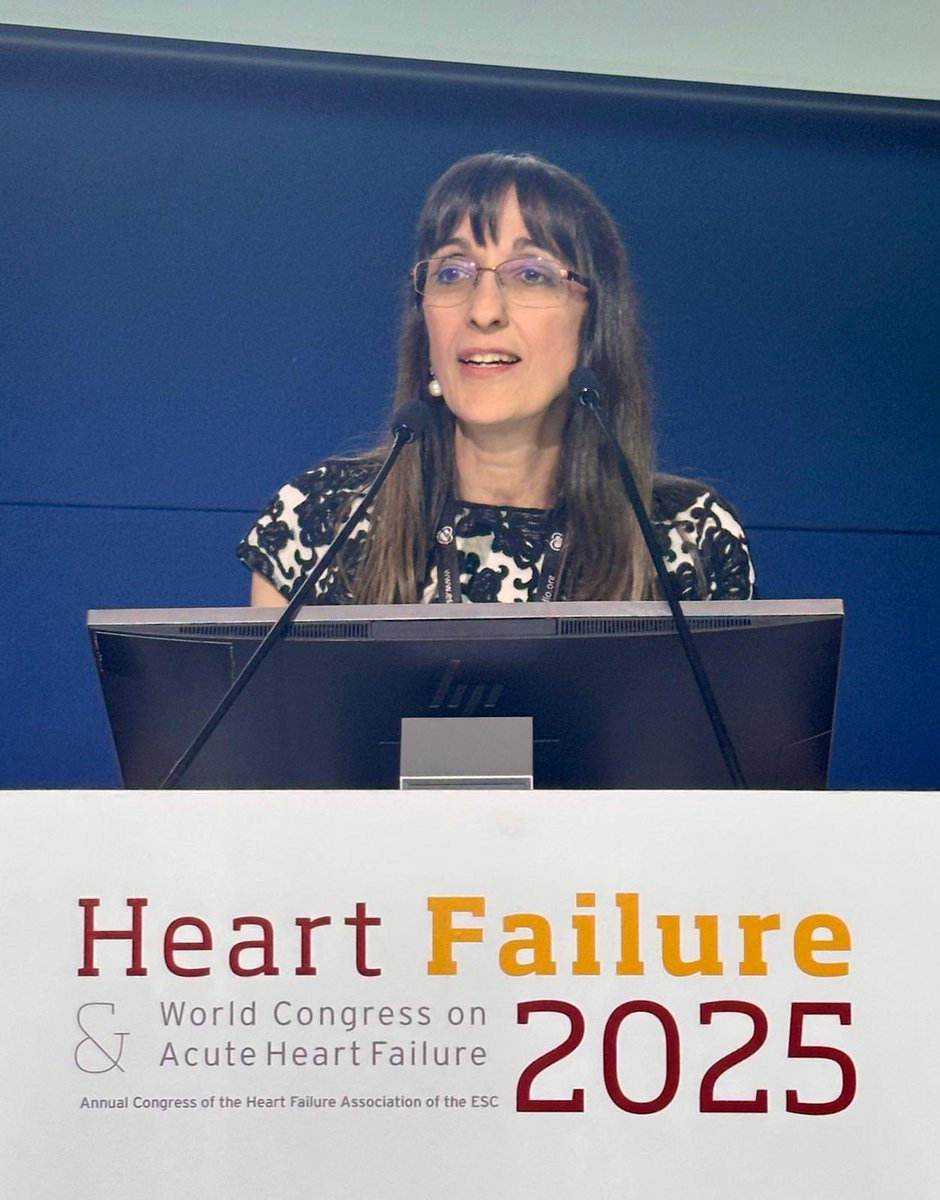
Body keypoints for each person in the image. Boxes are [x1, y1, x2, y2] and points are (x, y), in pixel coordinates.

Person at [238, 152, 755, 606]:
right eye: (452, 272)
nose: (483, 311)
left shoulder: (685, 540)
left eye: (530, 274)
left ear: (594, 322)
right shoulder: (324, 523)